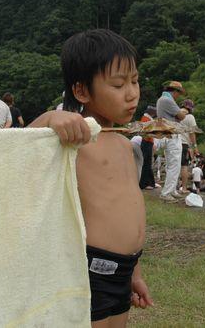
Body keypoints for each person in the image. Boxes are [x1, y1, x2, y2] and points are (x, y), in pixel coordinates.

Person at [28, 29, 153, 326]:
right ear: (82, 91)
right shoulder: (72, 139)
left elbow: (129, 207)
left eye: (134, 81)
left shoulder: (125, 144)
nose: (132, 93)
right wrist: (49, 118)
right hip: (89, 270)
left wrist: (135, 273)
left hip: (125, 269)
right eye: (119, 84)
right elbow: (17, 149)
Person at [156, 80, 188, 202]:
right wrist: (182, 111)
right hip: (171, 134)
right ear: (175, 91)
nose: (178, 96)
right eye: (178, 93)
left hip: (167, 133)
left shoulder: (162, 99)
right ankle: (167, 192)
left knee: (172, 164)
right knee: (174, 165)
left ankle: (172, 190)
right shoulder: (167, 100)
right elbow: (182, 116)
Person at [179, 99, 198, 194]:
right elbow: (192, 133)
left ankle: (172, 187)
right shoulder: (190, 117)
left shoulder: (176, 114)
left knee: (173, 166)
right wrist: (195, 146)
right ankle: (184, 188)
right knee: (184, 166)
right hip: (184, 144)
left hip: (173, 142)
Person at [139, 105, 157, 190]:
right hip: (147, 142)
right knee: (146, 164)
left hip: (148, 142)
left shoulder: (147, 118)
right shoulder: (146, 119)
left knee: (147, 163)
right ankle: (144, 183)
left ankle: (150, 183)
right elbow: (147, 132)